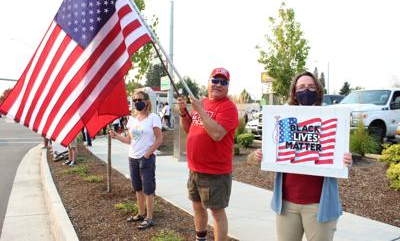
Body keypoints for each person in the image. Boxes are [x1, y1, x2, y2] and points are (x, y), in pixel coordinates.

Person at [254, 71, 352, 241]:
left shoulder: (331, 118)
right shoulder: (285, 119)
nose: (306, 91)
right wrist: (257, 156)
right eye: (301, 87)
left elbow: (341, 158)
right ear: (294, 92)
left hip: (319, 206)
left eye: (311, 87)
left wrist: (347, 161)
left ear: (318, 91)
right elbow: (272, 152)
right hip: (287, 205)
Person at [177, 67, 239, 241]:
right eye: (215, 80)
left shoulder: (228, 108)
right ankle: (201, 238)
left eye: (223, 82)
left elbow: (217, 134)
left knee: (217, 212)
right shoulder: (202, 103)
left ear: (228, 86)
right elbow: (190, 129)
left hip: (215, 173)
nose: (219, 85)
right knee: (197, 206)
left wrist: (201, 110)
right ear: (209, 82)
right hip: (195, 169)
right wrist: (184, 113)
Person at [109, 91, 163, 230]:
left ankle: (149, 218)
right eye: (135, 100)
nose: (137, 102)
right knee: (137, 188)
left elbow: (159, 139)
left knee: (148, 189)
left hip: (146, 158)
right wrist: (116, 136)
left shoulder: (153, 118)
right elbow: (129, 140)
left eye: (140, 99)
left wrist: (147, 154)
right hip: (132, 157)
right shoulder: (132, 119)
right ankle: (141, 213)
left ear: (147, 101)